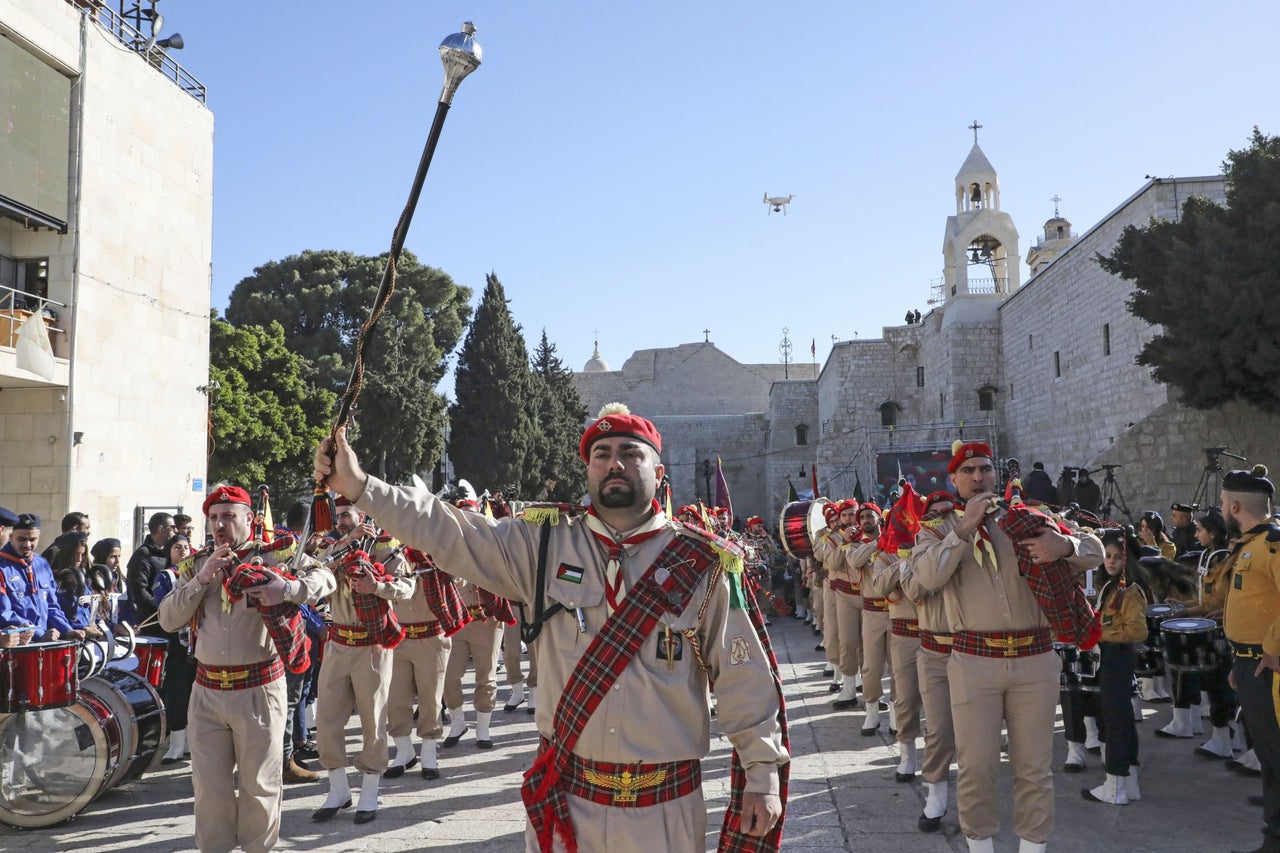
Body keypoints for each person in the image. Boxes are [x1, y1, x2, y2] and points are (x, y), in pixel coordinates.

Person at [314, 405, 788, 852]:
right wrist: (360, 486)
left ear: (659, 473)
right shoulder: (541, 545)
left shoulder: (701, 562)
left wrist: (762, 774)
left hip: (665, 808)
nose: (614, 464)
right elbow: (449, 530)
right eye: (601, 455)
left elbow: (742, 677)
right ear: (589, 471)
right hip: (569, 801)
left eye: (630, 453)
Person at [912, 441, 1103, 853]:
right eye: (968, 471)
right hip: (974, 660)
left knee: (1033, 768)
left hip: (1034, 659)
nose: (978, 477)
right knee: (977, 767)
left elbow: (1095, 549)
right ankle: (981, 845)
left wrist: (1063, 546)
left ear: (996, 474)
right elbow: (924, 579)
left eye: (984, 469)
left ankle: (1032, 847)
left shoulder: (1032, 517)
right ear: (955, 479)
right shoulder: (937, 529)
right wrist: (964, 530)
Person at [158, 486, 333, 853]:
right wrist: (201, 579)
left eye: (229, 516)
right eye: (214, 517)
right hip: (207, 693)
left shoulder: (276, 553)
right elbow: (169, 620)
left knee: (260, 785)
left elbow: (325, 580)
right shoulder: (195, 564)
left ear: (250, 519)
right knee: (209, 789)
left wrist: (287, 588)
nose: (220, 525)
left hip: (259, 689)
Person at [312, 497, 414, 824]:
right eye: (338, 516)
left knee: (373, 720)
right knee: (327, 718)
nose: (341, 520)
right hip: (338, 643)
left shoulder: (385, 546)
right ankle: (338, 790)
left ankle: (370, 791)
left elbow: (407, 586)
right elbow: (308, 571)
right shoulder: (332, 547)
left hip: (372, 645)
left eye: (346, 515)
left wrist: (377, 585)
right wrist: (346, 540)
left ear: (362, 514)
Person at [1219, 466, 1280, 853]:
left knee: (1277, 756)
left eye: (1223, 503)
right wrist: (1238, 663)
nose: (1221, 509)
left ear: (1236, 504)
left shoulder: (1273, 543)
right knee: (1269, 759)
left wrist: (1272, 650)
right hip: (1249, 664)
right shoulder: (1250, 544)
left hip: (1268, 667)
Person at [441, 498, 517, 750]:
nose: (468, 521)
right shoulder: (448, 547)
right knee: (449, 676)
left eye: (472, 516)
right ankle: (458, 723)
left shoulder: (495, 546)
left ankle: (483, 729)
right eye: (463, 516)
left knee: (486, 677)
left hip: (488, 620)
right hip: (459, 621)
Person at [1081, 529, 1147, 805]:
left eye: (1117, 557)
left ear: (1127, 560)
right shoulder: (1110, 587)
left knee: (1116, 721)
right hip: (1110, 658)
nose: (1110, 561)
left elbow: (1138, 630)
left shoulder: (1129, 591)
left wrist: (1100, 636)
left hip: (1117, 658)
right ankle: (1128, 783)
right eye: (1107, 556)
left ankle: (1115, 786)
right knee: (1121, 720)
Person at [153, 533, 199, 765]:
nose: (182, 551)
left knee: (195, 694)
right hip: (176, 643)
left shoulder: (198, 574)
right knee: (178, 693)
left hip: (197, 642)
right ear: (169, 551)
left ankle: (192, 742)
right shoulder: (165, 576)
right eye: (177, 547)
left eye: (186, 547)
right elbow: (163, 606)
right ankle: (176, 744)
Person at [814, 499, 863, 708]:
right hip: (840, 592)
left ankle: (867, 688)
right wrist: (844, 541)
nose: (849, 519)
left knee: (868, 645)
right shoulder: (832, 539)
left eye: (853, 514)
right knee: (843, 639)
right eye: (845, 515)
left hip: (866, 593)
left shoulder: (868, 536)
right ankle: (846, 683)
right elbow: (831, 562)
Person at [126, 511, 176, 630]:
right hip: (152, 621)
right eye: (172, 528)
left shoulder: (168, 553)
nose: (176, 531)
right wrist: (162, 607)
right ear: (161, 529)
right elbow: (139, 591)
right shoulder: (143, 555)